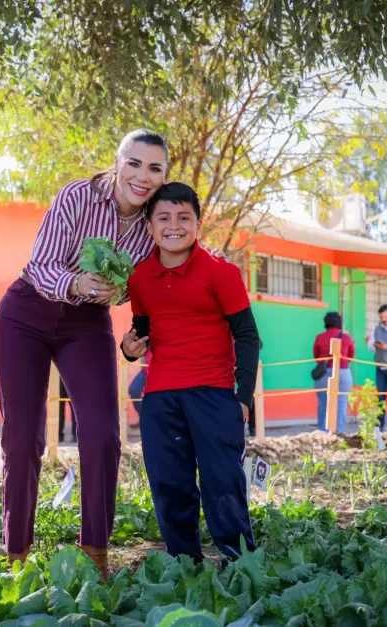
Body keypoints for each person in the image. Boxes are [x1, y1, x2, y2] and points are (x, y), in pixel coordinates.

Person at [0, 129, 169, 575]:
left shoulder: (154, 225)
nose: (142, 177)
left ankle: (95, 554)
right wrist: (78, 282)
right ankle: (17, 556)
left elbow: (146, 288)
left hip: (86, 325)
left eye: (154, 168)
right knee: (23, 438)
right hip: (26, 313)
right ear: (117, 161)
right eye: (134, 163)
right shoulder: (77, 197)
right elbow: (42, 262)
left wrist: (134, 332)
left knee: (104, 434)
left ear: (164, 176)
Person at [121, 182, 260, 563]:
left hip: (214, 393)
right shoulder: (140, 276)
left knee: (222, 482)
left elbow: (247, 336)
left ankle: (240, 562)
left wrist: (242, 398)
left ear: (198, 224)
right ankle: (185, 564)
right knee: (169, 484)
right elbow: (140, 332)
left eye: (184, 217)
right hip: (160, 396)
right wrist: (128, 350)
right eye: (164, 217)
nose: (174, 226)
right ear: (149, 225)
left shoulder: (221, 272)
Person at [312, 312, 355, 432]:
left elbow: (316, 356)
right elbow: (351, 355)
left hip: (323, 373)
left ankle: (323, 431)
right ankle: (339, 431)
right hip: (343, 372)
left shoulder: (320, 337)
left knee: (323, 403)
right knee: (341, 403)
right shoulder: (346, 337)